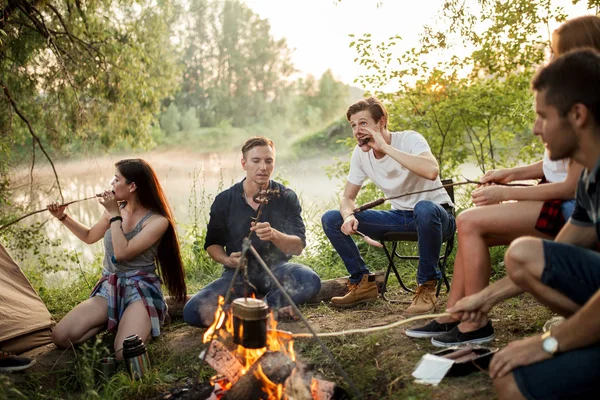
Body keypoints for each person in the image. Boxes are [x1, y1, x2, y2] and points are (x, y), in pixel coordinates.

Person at [406, 15, 600, 346]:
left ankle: (471, 324)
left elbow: (572, 185)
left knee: (470, 222)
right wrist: (514, 174)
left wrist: (505, 192)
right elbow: (560, 167)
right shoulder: (574, 113)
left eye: (554, 52)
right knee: (469, 223)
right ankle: (460, 313)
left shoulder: (583, 110)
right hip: (562, 202)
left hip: (563, 205)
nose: (549, 59)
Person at [449, 48, 600, 400]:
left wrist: (548, 343)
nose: (535, 129)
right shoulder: (591, 178)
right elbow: (563, 249)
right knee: (524, 254)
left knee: (513, 380)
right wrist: (483, 298)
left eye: (543, 116)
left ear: (577, 114)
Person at [321, 97, 456, 314]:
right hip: (400, 218)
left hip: (438, 217)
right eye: (353, 125)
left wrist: (385, 147)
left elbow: (431, 170)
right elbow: (347, 198)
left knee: (424, 208)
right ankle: (363, 282)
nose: (357, 130)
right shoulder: (360, 155)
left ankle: (427, 286)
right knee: (332, 218)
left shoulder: (410, 139)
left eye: (363, 123)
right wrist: (348, 217)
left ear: (381, 121)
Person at [47, 159, 186, 360]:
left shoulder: (157, 221)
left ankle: (144, 316)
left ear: (132, 186)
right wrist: (62, 217)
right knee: (60, 336)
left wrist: (114, 214)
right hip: (109, 289)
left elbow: (122, 254)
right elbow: (89, 237)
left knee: (124, 352)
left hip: (140, 291)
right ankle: (112, 318)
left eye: (117, 179)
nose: (111, 184)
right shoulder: (115, 211)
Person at [183, 137, 321, 327]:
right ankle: (268, 310)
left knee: (308, 278)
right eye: (256, 161)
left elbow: (298, 247)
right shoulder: (225, 200)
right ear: (244, 163)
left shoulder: (286, 197)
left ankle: (260, 310)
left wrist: (274, 235)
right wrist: (227, 260)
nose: (263, 167)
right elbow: (212, 244)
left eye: (268, 161)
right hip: (238, 275)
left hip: (276, 270)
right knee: (192, 311)